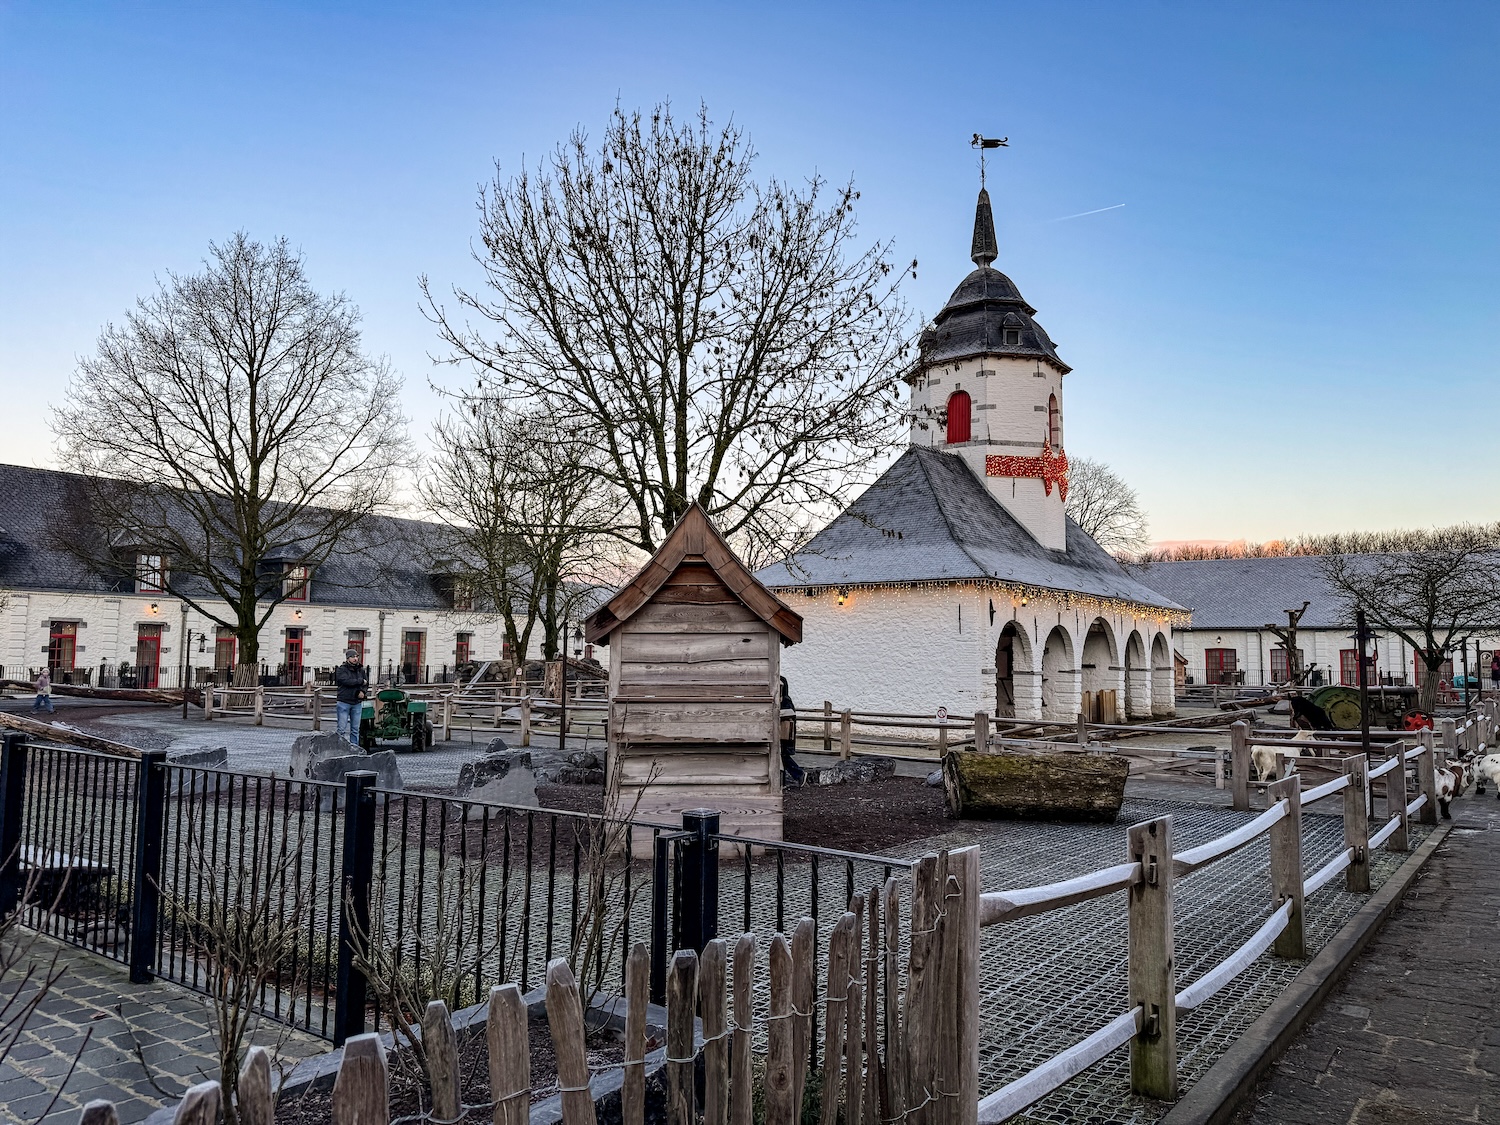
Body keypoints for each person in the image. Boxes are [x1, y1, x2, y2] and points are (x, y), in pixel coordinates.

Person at [334, 649, 369, 749]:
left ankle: (354, 749)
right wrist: (360, 681)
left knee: (355, 729)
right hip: (344, 702)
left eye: (357, 656)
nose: (355, 658)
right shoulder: (341, 669)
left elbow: (366, 683)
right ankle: (339, 748)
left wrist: (363, 691)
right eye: (353, 657)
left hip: (356, 702)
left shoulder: (361, 670)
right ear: (347, 658)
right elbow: (346, 681)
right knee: (341, 729)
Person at [778, 675, 805, 787]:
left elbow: (788, 714)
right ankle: (784, 781)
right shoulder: (782, 700)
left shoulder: (786, 701)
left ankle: (799, 774)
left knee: (783, 756)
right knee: (781, 757)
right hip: (783, 733)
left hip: (785, 734)